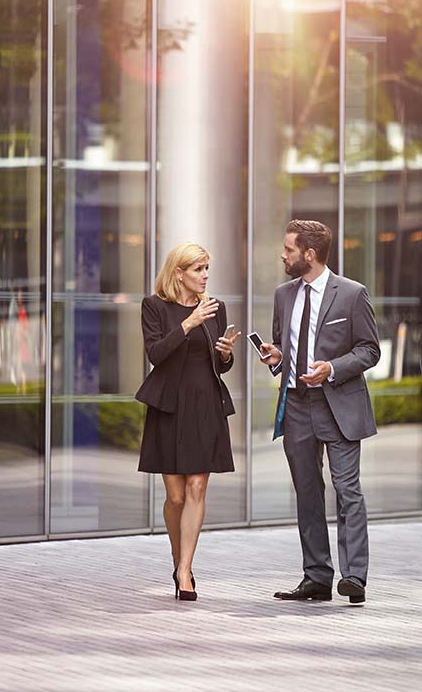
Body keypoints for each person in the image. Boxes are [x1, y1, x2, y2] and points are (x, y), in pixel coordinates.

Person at [257, 220, 380, 605]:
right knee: (307, 492)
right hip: (295, 406)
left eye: (289, 249)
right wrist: (277, 358)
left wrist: (332, 368)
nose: (283, 255)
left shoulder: (352, 294)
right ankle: (316, 577)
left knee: (348, 490)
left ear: (309, 254)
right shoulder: (283, 295)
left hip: (338, 404)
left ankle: (354, 577)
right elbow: (284, 346)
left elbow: (369, 350)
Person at [135, 242, 239, 602]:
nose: (205, 275)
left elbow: (218, 364)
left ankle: (185, 572)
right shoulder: (154, 306)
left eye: (207, 268)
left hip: (205, 404)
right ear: (179, 272)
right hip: (169, 405)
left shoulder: (216, 308)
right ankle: (178, 558)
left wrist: (225, 354)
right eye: (198, 269)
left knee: (197, 487)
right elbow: (155, 355)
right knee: (176, 496)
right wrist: (188, 323)